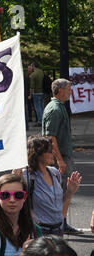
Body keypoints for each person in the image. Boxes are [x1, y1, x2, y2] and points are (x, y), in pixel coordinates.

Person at [14, 135, 82, 235]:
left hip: (58, 230)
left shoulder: (55, 173)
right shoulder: (26, 176)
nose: (53, 153)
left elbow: (57, 204)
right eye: (49, 150)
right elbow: (14, 201)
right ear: (37, 153)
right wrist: (14, 178)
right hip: (39, 232)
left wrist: (69, 192)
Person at [42, 78, 80, 234]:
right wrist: (60, 160)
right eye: (68, 89)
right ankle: (60, 223)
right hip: (61, 156)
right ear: (59, 91)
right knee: (62, 190)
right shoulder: (55, 109)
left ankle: (62, 222)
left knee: (64, 189)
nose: (71, 91)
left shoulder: (59, 107)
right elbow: (50, 137)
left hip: (64, 155)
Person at [28, 62, 45, 126]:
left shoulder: (33, 74)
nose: (31, 67)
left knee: (37, 108)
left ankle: (40, 121)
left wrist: (30, 95)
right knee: (42, 107)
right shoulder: (42, 72)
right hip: (43, 91)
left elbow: (32, 86)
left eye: (31, 66)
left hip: (36, 93)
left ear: (33, 66)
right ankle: (44, 120)